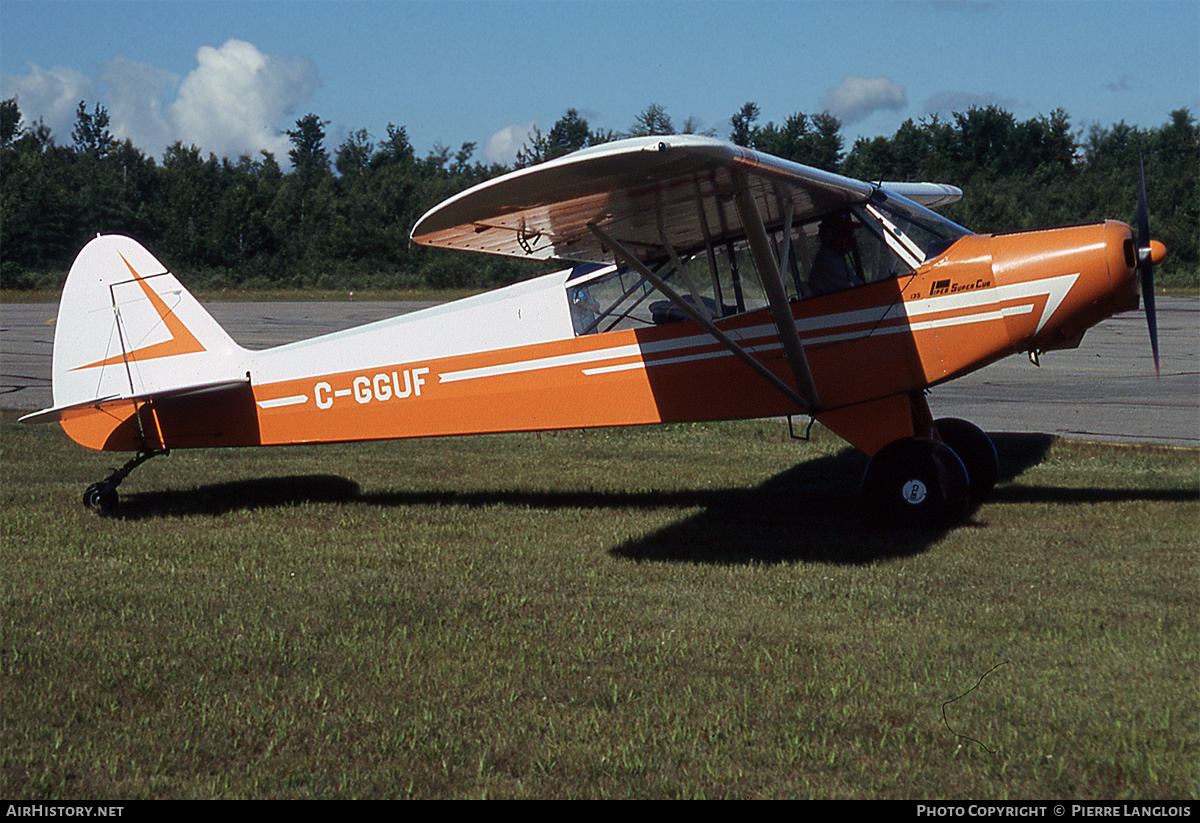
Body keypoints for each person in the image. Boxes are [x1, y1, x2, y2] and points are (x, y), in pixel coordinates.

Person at [808, 211, 861, 295]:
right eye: (846, 234)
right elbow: (857, 291)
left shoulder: (833, 259)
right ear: (830, 236)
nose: (851, 239)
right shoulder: (828, 263)